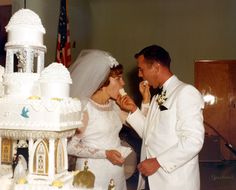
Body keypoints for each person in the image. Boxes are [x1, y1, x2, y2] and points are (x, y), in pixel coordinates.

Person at [117, 45, 205, 190]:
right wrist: (133, 109)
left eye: (141, 69)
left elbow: (193, 141)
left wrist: (158, 162)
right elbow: (149, 133)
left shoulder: (186, 92)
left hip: (175, 182)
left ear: (156, 67)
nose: (140, 74)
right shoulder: (157, 96)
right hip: (153, 181)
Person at [67, 49, 130, 190]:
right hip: (92, 174)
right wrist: (105, 154)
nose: (123, 83)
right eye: (118, 78)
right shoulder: (86, 108)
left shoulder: (113, 105)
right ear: (104, 81)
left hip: (116, 171)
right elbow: (70, 147)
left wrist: (144, 102)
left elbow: (139, 124)